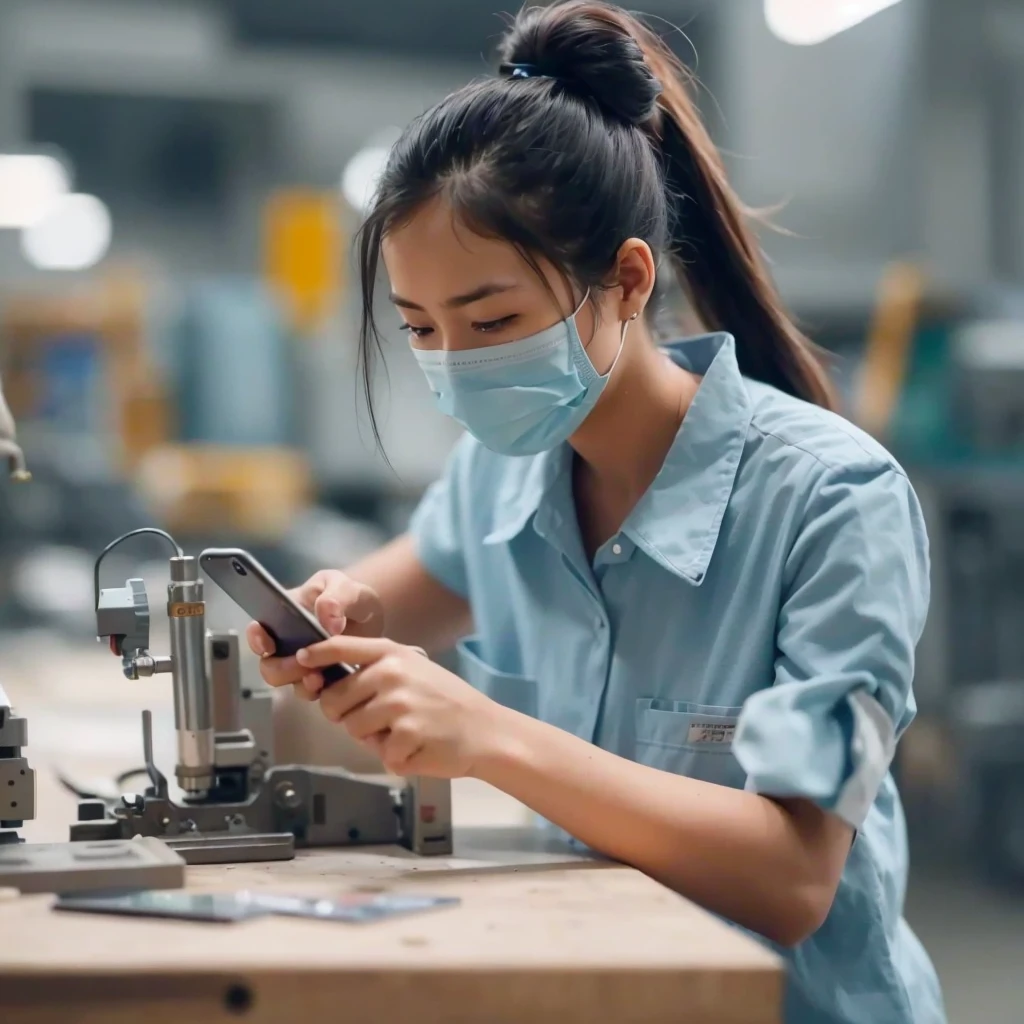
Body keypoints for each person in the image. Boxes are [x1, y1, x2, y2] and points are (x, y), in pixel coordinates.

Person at [247, 3, 945, 1022]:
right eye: (421, 328)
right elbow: (365, 617)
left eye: (492, 321)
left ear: (624, 280)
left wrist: (488, 735)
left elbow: (793, 876)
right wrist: (329, 623)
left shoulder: (831, 503)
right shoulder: (504, 474)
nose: (455, 362)